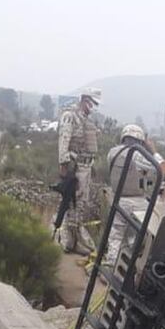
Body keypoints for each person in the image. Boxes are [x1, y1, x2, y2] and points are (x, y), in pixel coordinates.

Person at [102, 124, 165, 269]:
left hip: (118, 200)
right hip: (138, 203)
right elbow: (161, 169)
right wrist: (153, 151)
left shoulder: (112, 152)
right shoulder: (138, 155)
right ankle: (128, 269)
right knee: (134, 239)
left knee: (115, 236)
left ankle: (111, 266)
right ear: (140, 140)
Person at [55, 88, 102, 255]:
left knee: (81, 204)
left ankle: (75, 240)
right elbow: (64, 140)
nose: (93, 107)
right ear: (84, 100)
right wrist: (63, 163)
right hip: (74, 167)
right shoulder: (70, 116)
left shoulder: (87, 120)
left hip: (86, 167)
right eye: (92, 103)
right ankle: (66, 238)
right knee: (71, 202)